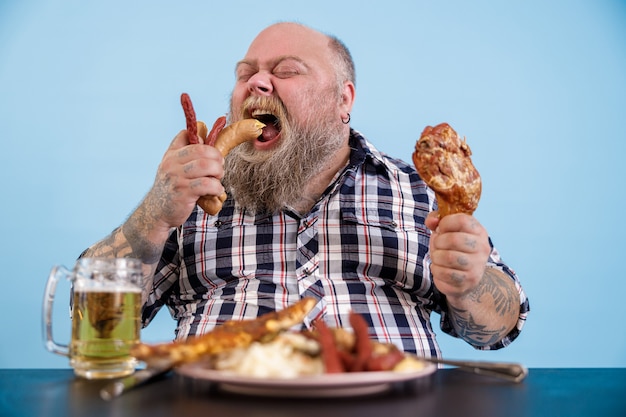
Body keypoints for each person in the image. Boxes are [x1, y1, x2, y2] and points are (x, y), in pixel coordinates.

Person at [82, 22, 529, 357]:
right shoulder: (187, 198)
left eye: (286, 71)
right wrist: (154, 215)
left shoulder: (417, 189)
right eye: (245, 73)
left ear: (344, 100)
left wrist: (469, 285)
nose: (256, 82)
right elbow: (94, 324)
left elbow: (498, 329)